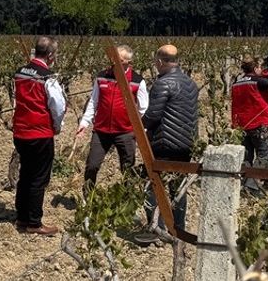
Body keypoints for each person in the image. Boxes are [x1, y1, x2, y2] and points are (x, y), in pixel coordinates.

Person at [137, 44, 198, 243]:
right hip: (186, 144)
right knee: (179, 188)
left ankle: (157, 230)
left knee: (153, 185)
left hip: (164, 143)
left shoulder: (163, 83)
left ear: (161, 62)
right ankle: (178, 230)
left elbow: (154, 115)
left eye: (156, 62)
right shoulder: (190, 82)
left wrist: (138, 126)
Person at [11, 36, 66, 235]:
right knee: (39, 178)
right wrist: (57, 126)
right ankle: (34, 222)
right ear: (50, 55)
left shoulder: (20, 72)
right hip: (40, 131)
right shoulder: (47, 76)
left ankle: (21, 217)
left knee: (25, 173)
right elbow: (57, 106)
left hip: (20, 130)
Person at [76, 45, 148, 193]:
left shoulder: (137, 80)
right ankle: (87, 198)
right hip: (101, 131)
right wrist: (84, 122)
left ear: (128, 61)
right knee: (92, 165)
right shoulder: (102, 76)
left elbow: (143, 108)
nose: (114, 63)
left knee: (127, 168)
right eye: (113, 59)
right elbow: (94, 101)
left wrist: (139, 129)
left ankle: (127, 200)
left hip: (125, 132)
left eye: (119, 60)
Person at [230, 55, 268, 191]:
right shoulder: (258, 81)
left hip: (242, 124)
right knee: (263, 154)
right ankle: (251, 186)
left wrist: (234, 123)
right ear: (255, 68)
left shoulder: (236, 84)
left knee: (248, 155)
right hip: (258, 122)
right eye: (259, 67)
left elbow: (234, 105)